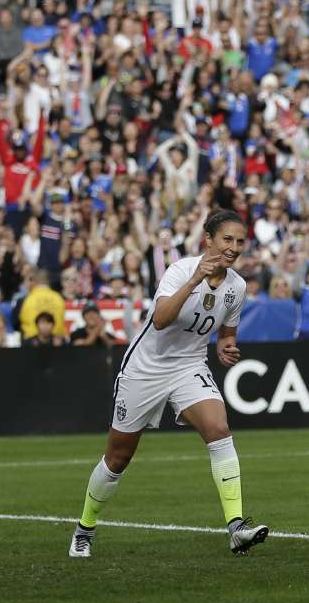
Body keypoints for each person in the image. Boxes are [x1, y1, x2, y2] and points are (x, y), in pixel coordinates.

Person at [68, 210, 268, 558]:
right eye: (227, 240)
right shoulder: (179, 271)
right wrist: (193, 281)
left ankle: (236, 527)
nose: (234, 248)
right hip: (145, 369)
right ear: (208, 239)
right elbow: (159, 320)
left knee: (219, 429)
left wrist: (225, 348)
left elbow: (226, 335)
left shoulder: (236, 286)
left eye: (239, 241)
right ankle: (84, 528)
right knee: (118, 458)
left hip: (189, 366)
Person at [18, 269, 66, 340]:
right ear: (49, 281)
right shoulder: (59, 298)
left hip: (32, 343)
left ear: (35, 280)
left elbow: (17, 322)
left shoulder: (26, 299)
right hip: (56, 343)